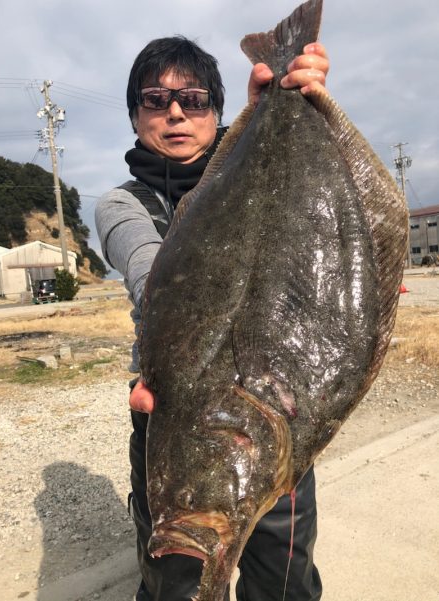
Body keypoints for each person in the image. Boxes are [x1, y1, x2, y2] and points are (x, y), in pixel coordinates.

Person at [95, 34, 329, 601]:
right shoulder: (122, 204)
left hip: (273, 408)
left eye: (194, 100)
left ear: (216, 112)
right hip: (173, 414)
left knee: (284, 576)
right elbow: (156, 280)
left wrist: (283, 104)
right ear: (134, 115)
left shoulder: (264, 174)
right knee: (180, 580)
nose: (175, 112)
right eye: (155, 99)